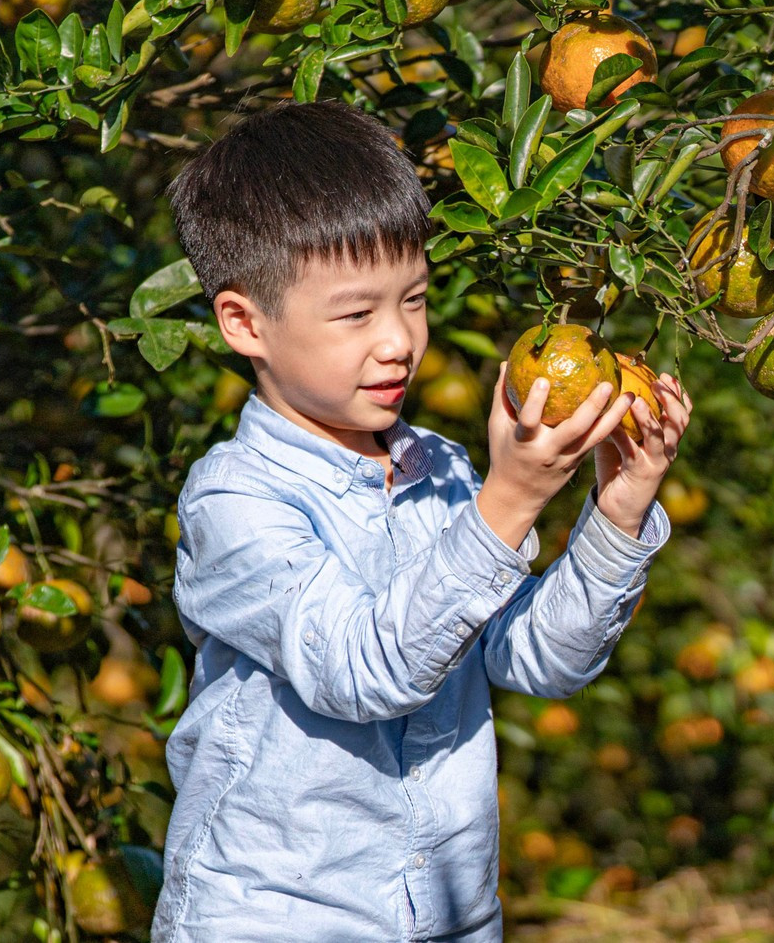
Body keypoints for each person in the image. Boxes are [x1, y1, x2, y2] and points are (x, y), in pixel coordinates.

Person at [150, 100, 691, 942]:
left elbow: (537, 658)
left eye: (414, 301)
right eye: (356, 314)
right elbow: (366, 670)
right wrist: (509, 501)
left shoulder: (439, 469)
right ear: (245, 322)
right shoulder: (235, 503)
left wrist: (618, 509)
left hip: (448, 915)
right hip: (277, 918)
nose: (399, 340)